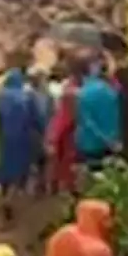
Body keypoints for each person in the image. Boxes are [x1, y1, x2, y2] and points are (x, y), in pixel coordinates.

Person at [0, 70, 43, 202]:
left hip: (2, 137)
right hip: (22, 138)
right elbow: (36, 118)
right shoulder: (27, 97)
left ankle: (4, 193)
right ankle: (11, 197)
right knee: (19, 167)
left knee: (4, 167)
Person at [76, 64, 124, 175]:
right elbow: (116, 116)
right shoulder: (111, 91)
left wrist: (103, 138)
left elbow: (87, 122)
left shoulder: (84, 93)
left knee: (92, 174)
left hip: (90, 143)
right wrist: (112, 139)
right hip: (111, 141)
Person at [46, 63, 82, 196]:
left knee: (59, 161)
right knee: (66, 161)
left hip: (63, 134)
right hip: (67, 135)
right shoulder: (73, 95)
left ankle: (57, 185)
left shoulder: (62, 109)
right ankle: (66, 186)